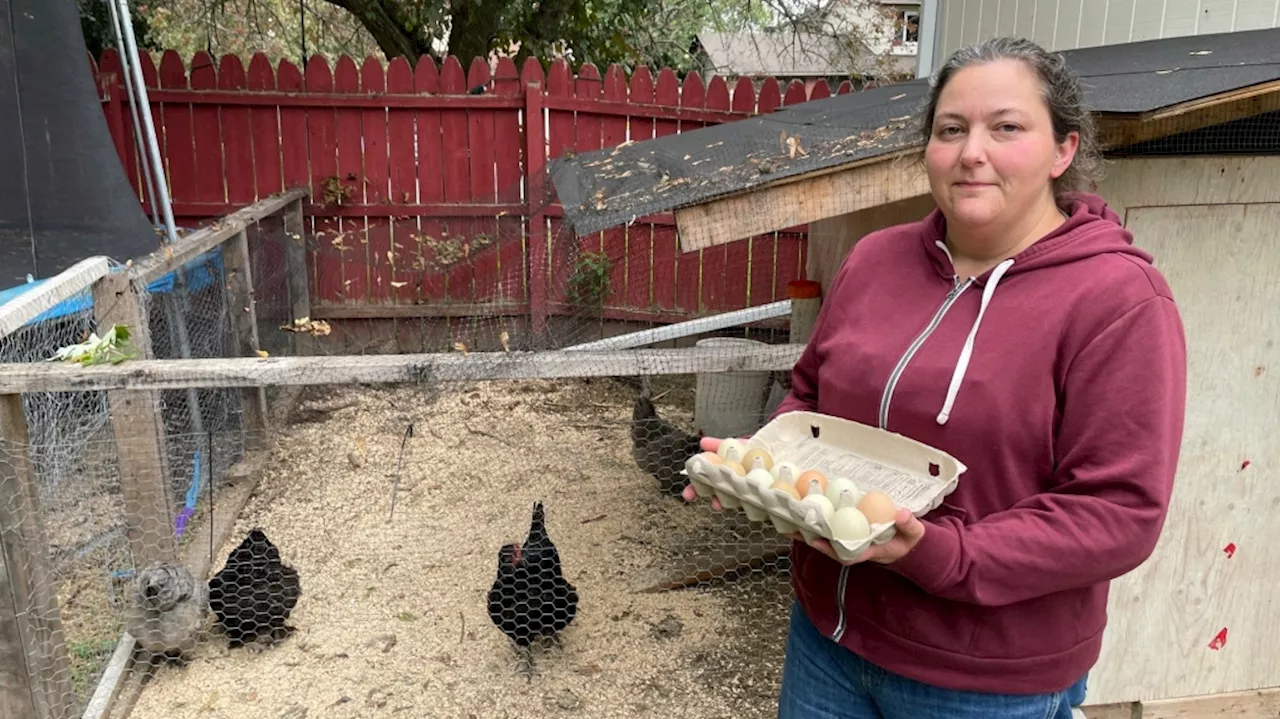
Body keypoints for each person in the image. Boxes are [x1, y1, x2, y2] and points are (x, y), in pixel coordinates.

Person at [683, 36, 1188, 719]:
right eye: (951, 130)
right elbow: (810, 393)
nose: (971, 151)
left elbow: (1118, 513)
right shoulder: (875, 259)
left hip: (982, 677)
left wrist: (942, 553)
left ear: (1063, 150)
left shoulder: (1118, 301)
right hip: (828, 640)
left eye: (1006, 127)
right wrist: (760, 466)